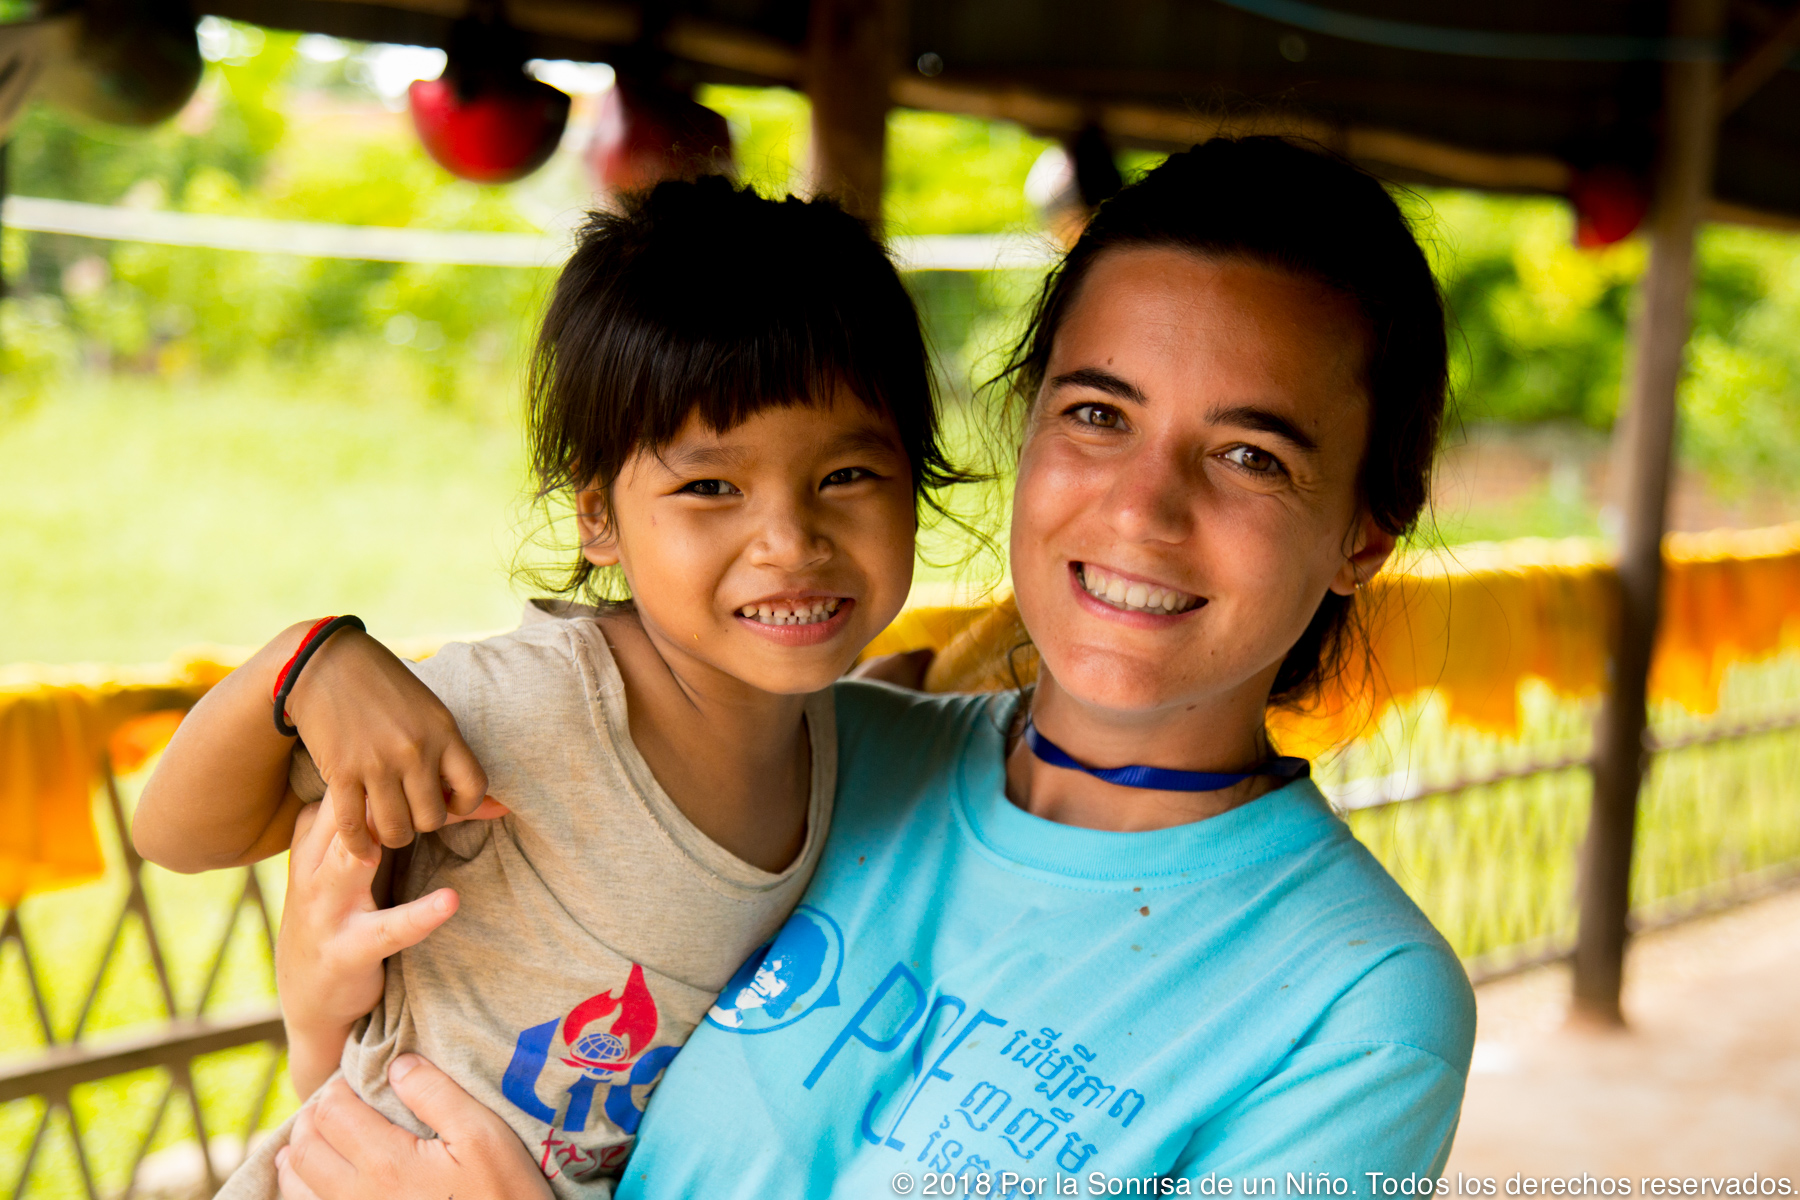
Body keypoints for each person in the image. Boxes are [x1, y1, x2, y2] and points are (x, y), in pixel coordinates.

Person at [269, 137, 1478, 1199]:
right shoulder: (816, 762)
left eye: (1253, 455)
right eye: (1099, 416)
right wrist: (324, 1026)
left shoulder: (1358, 1010)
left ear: (1366, 530)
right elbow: (488, 1076)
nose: (1142, 511)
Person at [130, 176, 965, 1196]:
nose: (791, 541)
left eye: (848, 476)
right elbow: (177, 837)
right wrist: (302, 666)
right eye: (710, 487)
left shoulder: (845, 741)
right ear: (598, 517)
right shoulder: (524, 712)